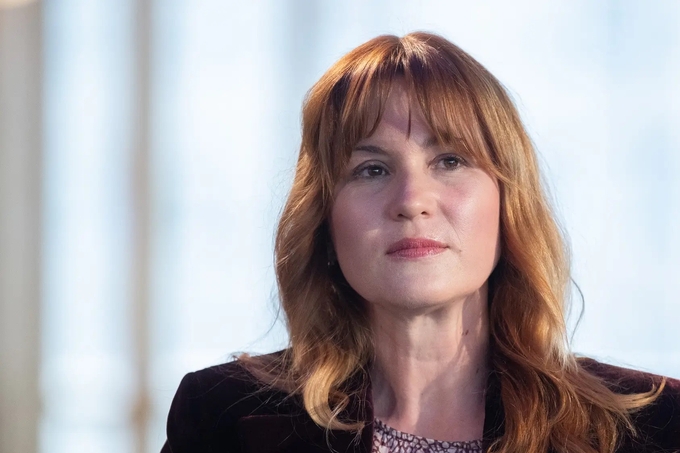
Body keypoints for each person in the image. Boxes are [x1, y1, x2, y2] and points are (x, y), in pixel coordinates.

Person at [160, 32, 680, 453]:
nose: (412, 201)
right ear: (323, 219)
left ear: (508, 203)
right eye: (371, 169)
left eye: (449, 161)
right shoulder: (221, 416)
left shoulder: (657, 426)